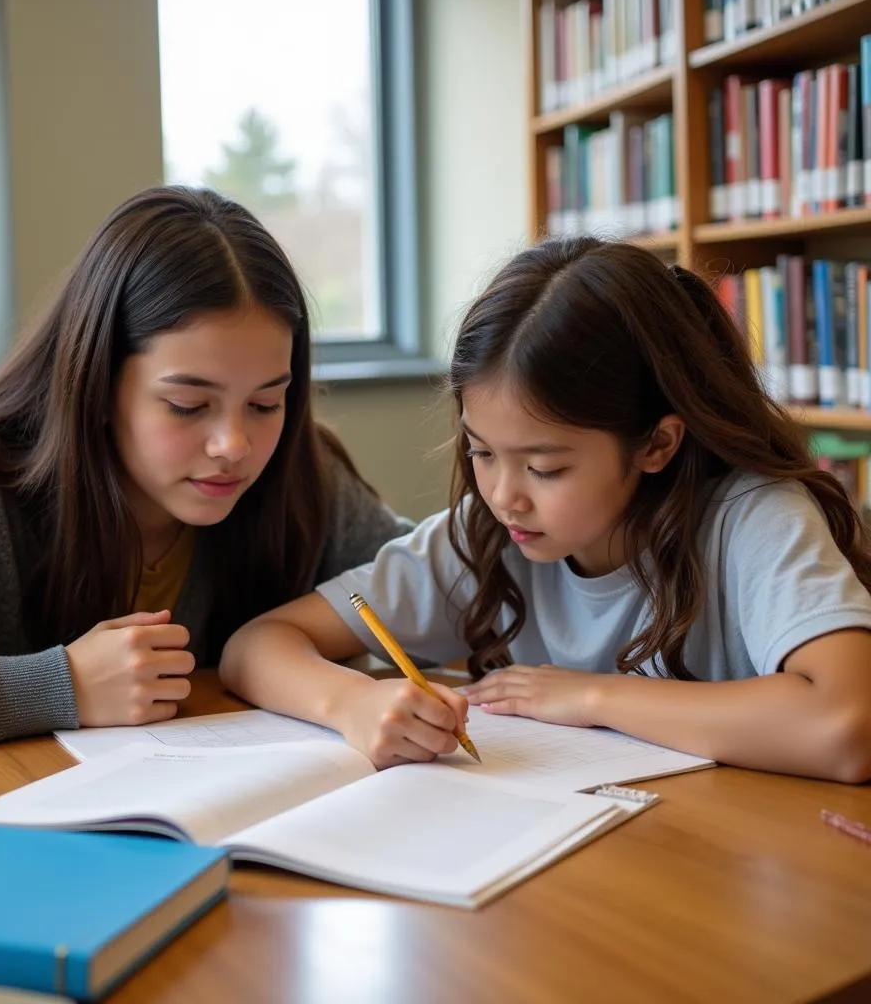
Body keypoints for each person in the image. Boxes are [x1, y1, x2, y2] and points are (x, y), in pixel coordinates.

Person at [220, 237, 871, 783]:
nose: (504, 495)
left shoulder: (752, 518)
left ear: (656, 443)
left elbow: (847, 724)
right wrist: (354, 702)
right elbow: (256, 646)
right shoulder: (484, 538)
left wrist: (592, 696)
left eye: (545, 467)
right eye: (481, 452)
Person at [0, 186, 410, 756]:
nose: (234, 446)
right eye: (188, 405)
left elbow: (452, 579)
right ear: (96, 384)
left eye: (266, 404)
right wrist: (55, 686)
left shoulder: (299, 471)